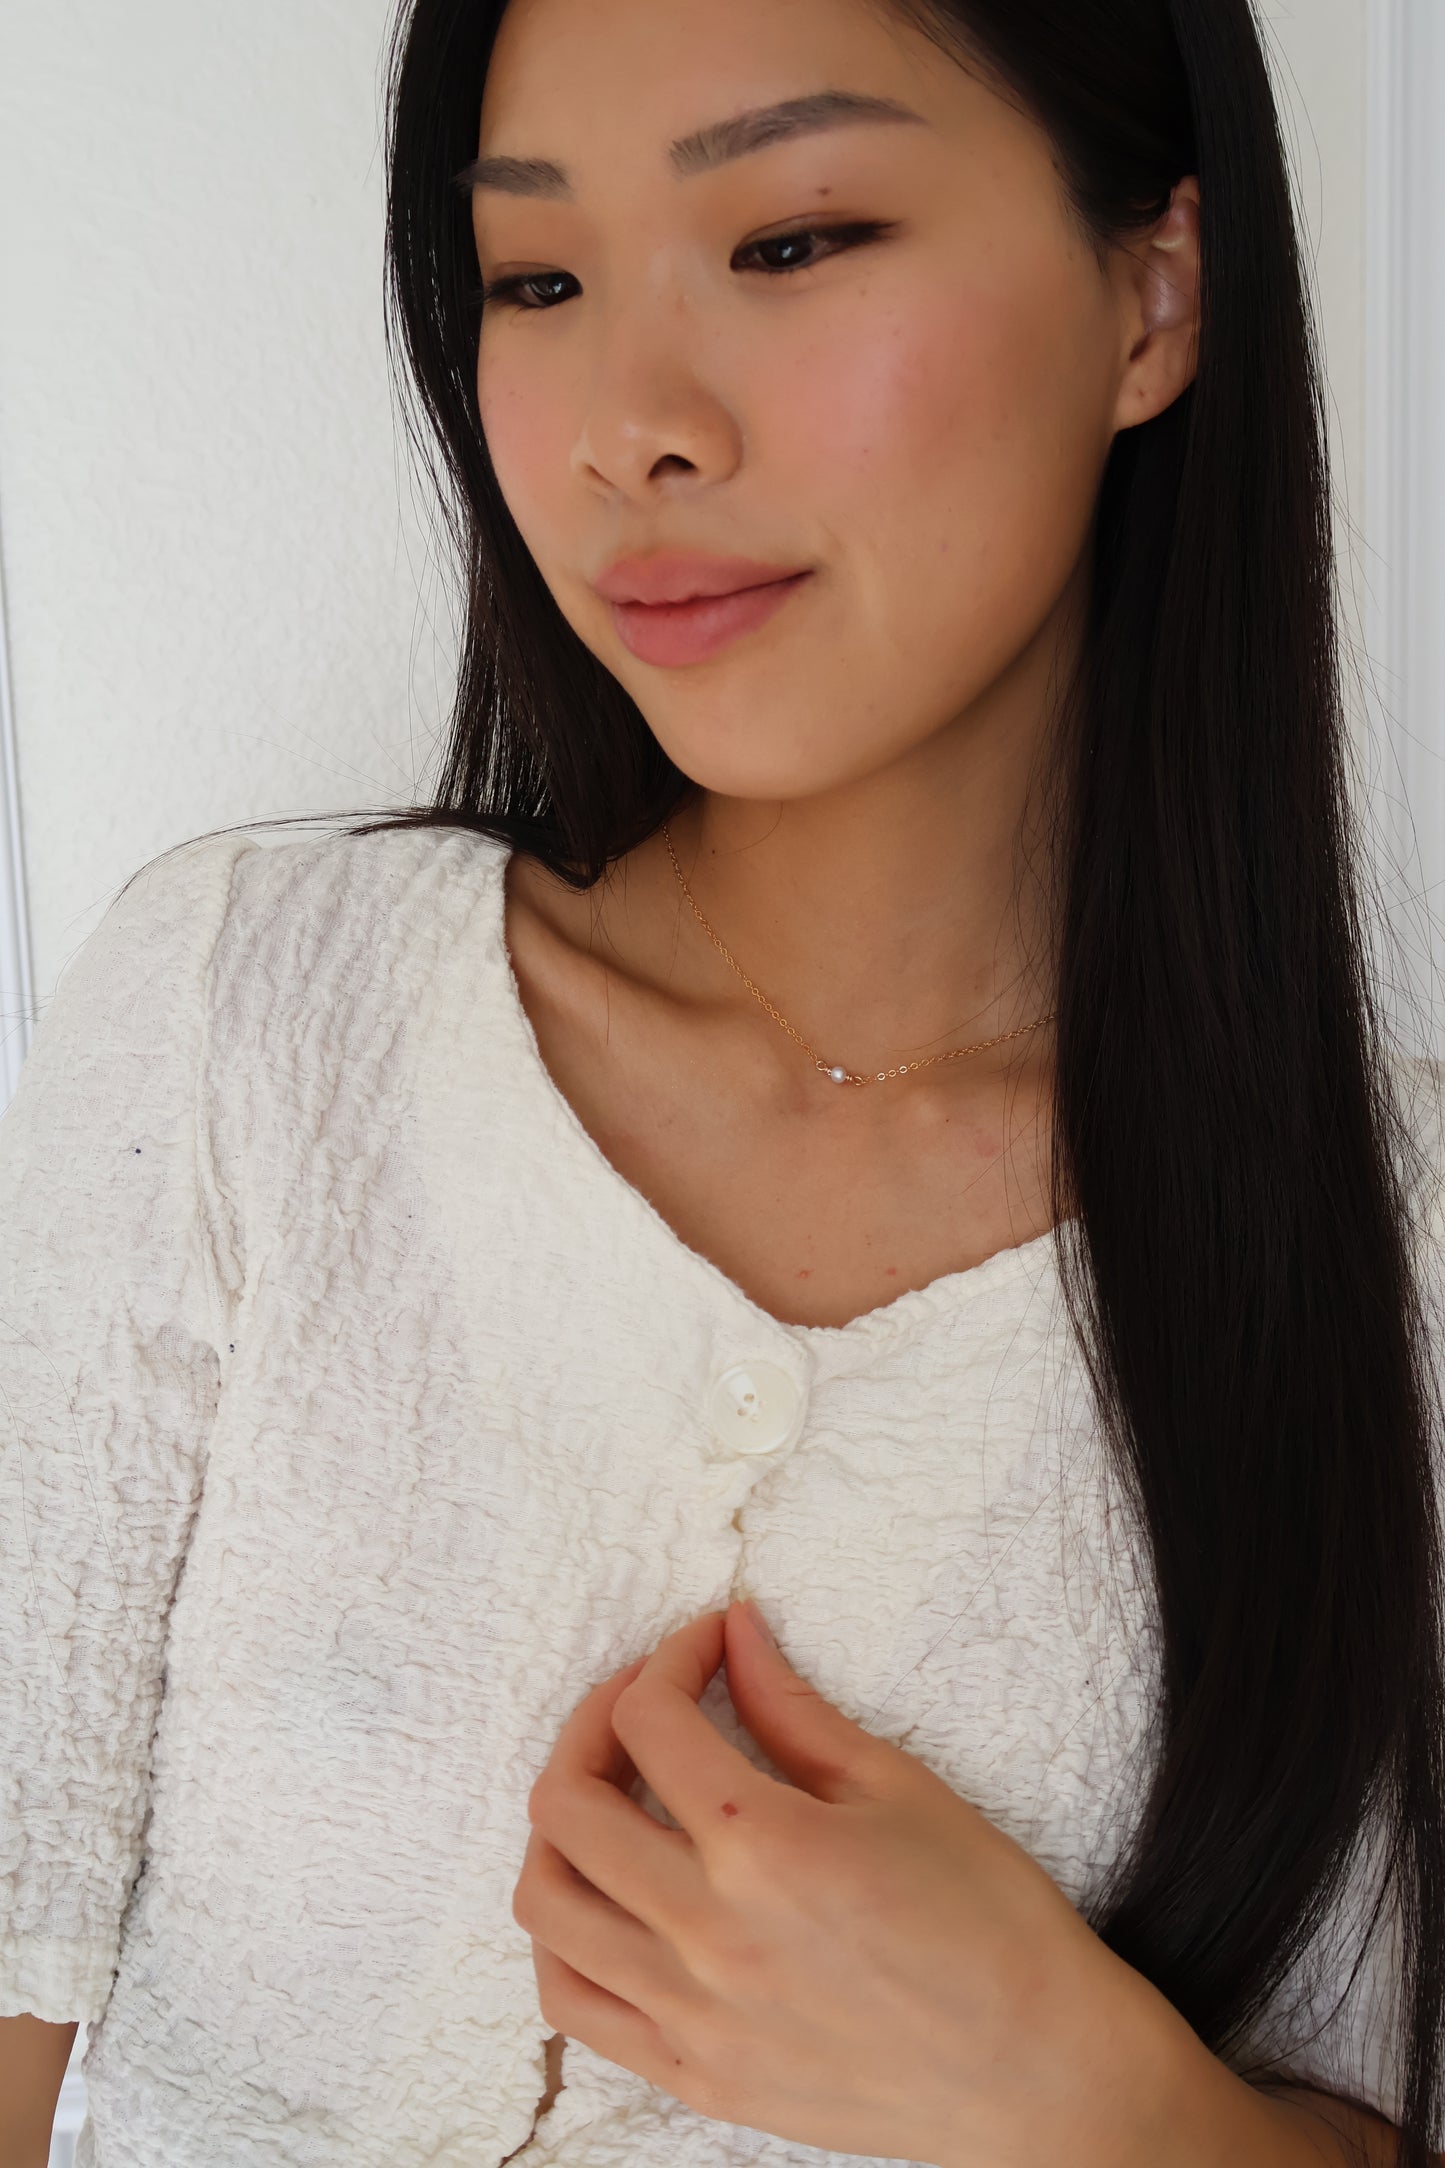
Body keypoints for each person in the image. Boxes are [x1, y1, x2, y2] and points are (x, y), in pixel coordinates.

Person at [2, 0, 1443, 2162]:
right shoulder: (242, 1017)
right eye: (537, 280)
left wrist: (1101, 2102)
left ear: (1154, 294)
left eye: (793, 238)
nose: (631, 426)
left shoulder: (1390, 1248)